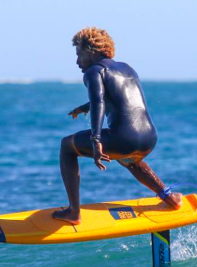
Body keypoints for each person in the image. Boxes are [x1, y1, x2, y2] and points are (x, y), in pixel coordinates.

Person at [52, 27, 183, 225]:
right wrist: (83, 108)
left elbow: (99, 102)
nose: (78, 61)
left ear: (91, 51)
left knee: (66, 146)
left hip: (123, 138)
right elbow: (118, 98)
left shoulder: (93, 72)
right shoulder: (127, 68)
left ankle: (73, 212)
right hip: (149, 137)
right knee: (129, 158)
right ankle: (169, 197)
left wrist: (96, 140)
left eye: (79, 55)